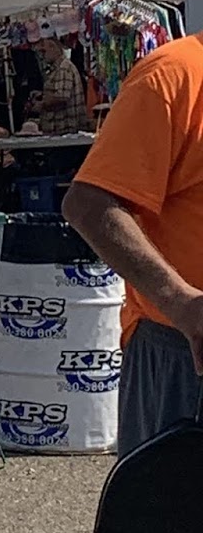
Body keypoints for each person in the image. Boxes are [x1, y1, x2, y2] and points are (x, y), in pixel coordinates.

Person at [62, 33, 203, 458]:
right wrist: (180, 301)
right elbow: (89, 203)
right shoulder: (175, 74)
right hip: (184, 349)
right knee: (171, 499)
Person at [31, 36, 90, 134]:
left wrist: (42, 104)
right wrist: (42, 95)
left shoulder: (63, 68)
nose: (42, 55)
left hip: (65, 129)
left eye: (44, 51)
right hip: (60, 129)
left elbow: (62, 97)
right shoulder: (58, 69)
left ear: (53, 47)